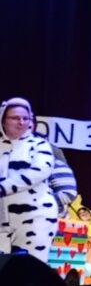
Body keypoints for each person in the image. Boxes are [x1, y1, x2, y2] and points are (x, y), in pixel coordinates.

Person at [0, 98, 57, 262]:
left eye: (25, 118)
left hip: (35, 217)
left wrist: (3, 187)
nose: (21, 122)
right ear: (3, 120)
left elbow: (40, 171)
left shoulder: (40, 145)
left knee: (30, 267)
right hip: (2, 222)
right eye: (15, 118)